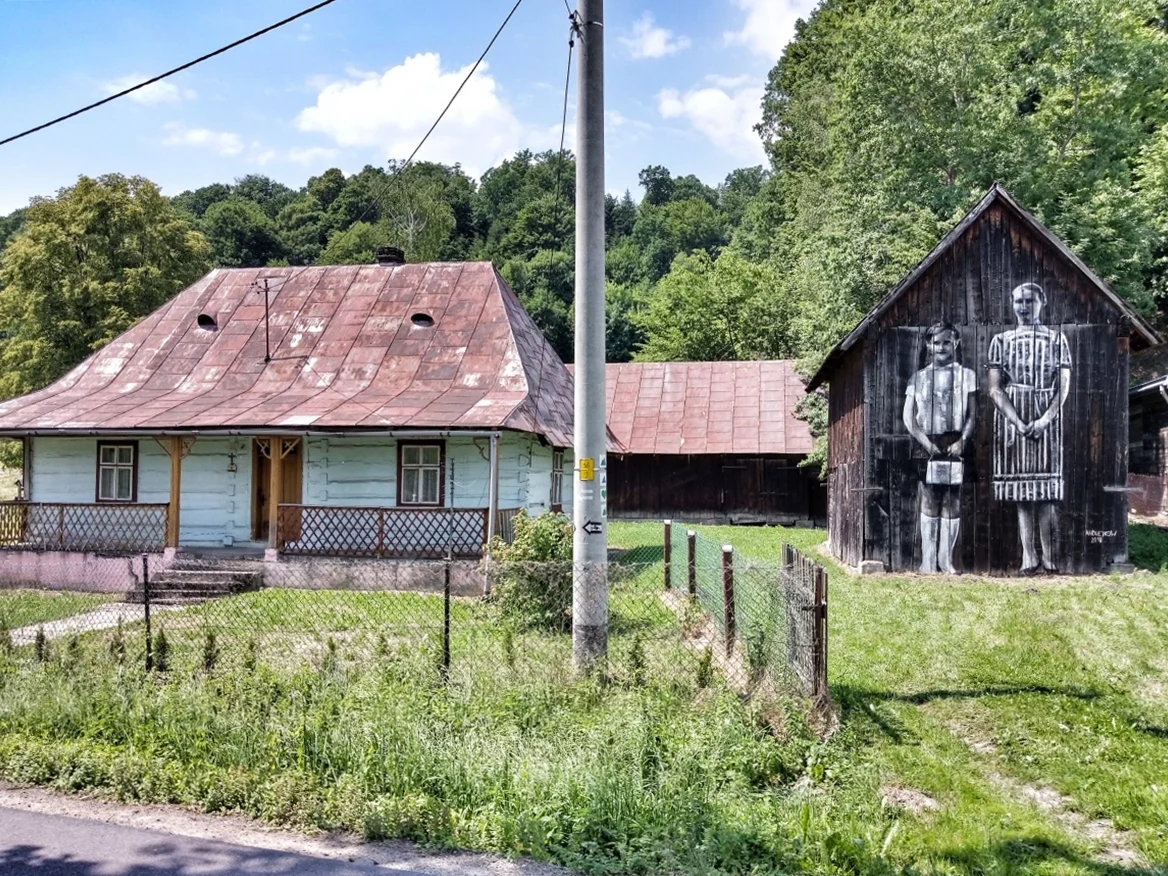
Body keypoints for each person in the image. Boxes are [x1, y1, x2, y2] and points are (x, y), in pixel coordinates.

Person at [987, 282, 1071, 575]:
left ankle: (1049, 557)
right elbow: (995, 389)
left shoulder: (1057, 340)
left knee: (1046, 494)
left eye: (1029, 301)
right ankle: (1028, 557)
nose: (1023, 307)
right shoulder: (1002, 340)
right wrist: (1018, 421)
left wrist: (1044, 420)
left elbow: (1063, 388)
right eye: (1018, 301)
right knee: (1022, 494)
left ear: (1042, 301)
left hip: (1046, 416)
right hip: (1014, 416)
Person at [902, 323, 977, 573]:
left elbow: (972, 415)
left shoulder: (967, 375)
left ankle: (947, 561)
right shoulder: (919, 377)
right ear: (928, 345)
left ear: (955, 343)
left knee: (952, 499)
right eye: (936, 342)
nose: (941, 347)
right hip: (927, 442)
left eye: (947, 342)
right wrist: (926, 443)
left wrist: (962, 441)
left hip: (956, 441)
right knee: (930, 498)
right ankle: (928, 562)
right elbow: (908, 417)